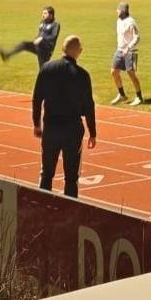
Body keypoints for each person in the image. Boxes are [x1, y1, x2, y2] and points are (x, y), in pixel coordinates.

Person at [32, 35, 97, 198]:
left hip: (51, 127)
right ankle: (70, 207)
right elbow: (89, 106)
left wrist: (37, 124)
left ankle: (42, 204)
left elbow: (37, 98)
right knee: (71, 177)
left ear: (62, 48)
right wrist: (92, 132)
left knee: (46, 172)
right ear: (79, 51)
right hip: (72, 129)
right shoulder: (82, 75)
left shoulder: (47, 68)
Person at [110, 1, 143, 105]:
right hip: (119, 50)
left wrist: (128, 48)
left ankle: (139, 97)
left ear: (123, 10)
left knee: (131, 73)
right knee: (114, 72)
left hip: (131, 51)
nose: (116, 11)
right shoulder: (118, 21)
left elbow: (137, 37)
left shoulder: (131, 22)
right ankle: (122, 95)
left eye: (118, 9)